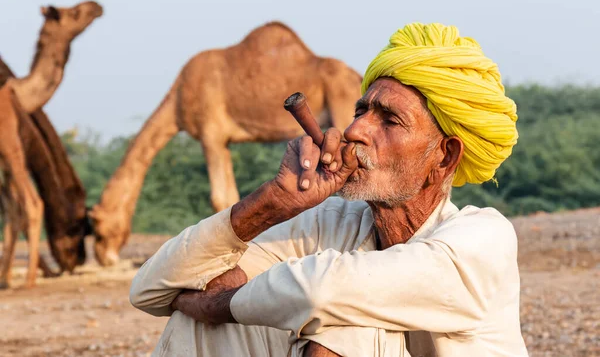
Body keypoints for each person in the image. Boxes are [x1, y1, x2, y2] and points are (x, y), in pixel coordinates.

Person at [129, 22, 529, 357]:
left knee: (345, 323)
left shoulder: (483, 239)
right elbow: (150, 290)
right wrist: (273, 202)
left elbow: (321, 290)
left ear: (443, 157)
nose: (355, 130)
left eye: (388, 120)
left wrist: (216, 304)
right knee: (196, 324)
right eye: (361, 110)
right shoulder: (331, 225)